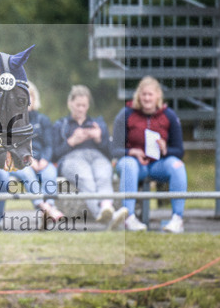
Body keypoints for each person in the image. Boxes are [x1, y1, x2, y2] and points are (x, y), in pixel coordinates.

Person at [111, 76, 188, 233]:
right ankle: (128, 217)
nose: (146, 98)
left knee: (177, 166)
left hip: (158, 164)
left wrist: (165, 149)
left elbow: (179, 151)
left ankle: (177, 219)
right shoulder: (126, 114)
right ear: (138, 96)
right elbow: (114, 149)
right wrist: (131, 152)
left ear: (157, 96)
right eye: (143, 94)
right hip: (134, 164)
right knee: (128, 164)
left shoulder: (169, 116)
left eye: (150, 94)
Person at [52, 85, 126, 229]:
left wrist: (99, 138)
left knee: (104, 174)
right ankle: (106, 215)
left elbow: (110, 152)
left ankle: (106, 207)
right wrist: (71, 142)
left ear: (88, 106)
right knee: (85, 177)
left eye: (84, 105)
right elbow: (54, 155)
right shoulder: (61, 125)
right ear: (70, 103)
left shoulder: (97, 123)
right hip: (71, 158)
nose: (80, 109)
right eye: (78, 105)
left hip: (97, 156)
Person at [22, 82, 64, 221]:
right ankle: (45, 208)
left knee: (50, 172)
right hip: (20, 162)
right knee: (27, 174)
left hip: (42, 161)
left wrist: (45, 160)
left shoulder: (43, 120)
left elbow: (49, 145)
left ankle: (48, 205)